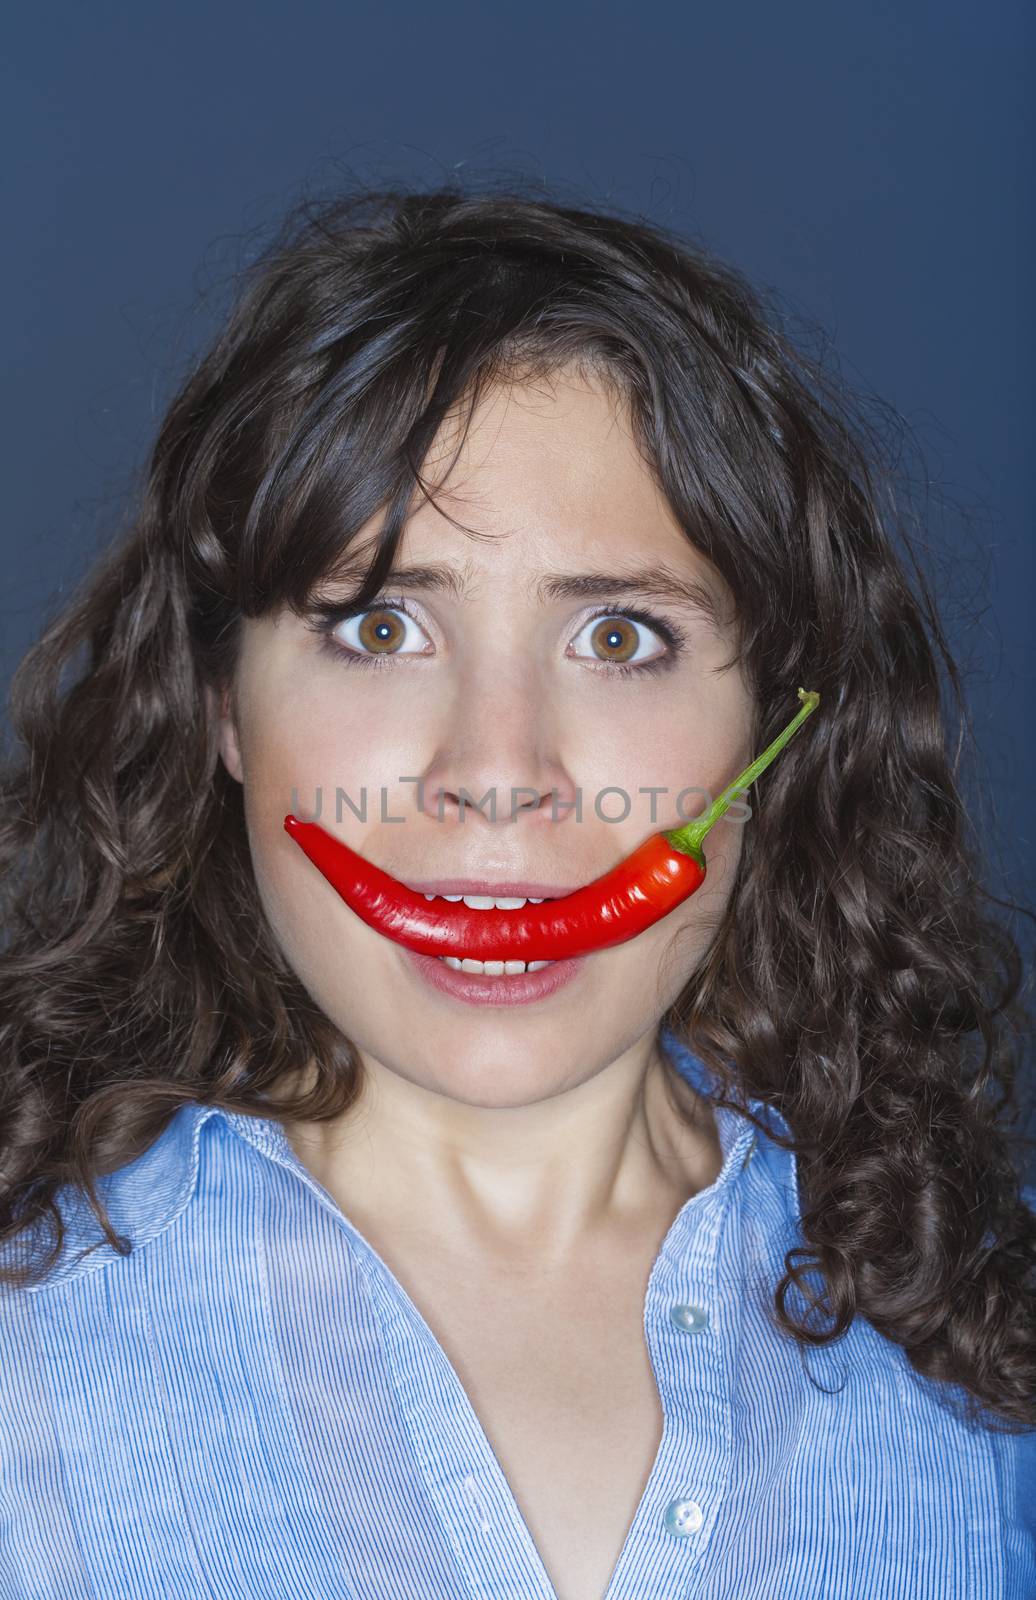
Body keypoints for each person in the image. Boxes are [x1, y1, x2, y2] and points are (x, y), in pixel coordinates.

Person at [0, 182, 1033, 1600]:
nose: (499, 773)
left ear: (774, 728)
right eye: (379, 625)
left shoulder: (990, 1341)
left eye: (619, 636)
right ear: (222, 707)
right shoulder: (24, 1339)